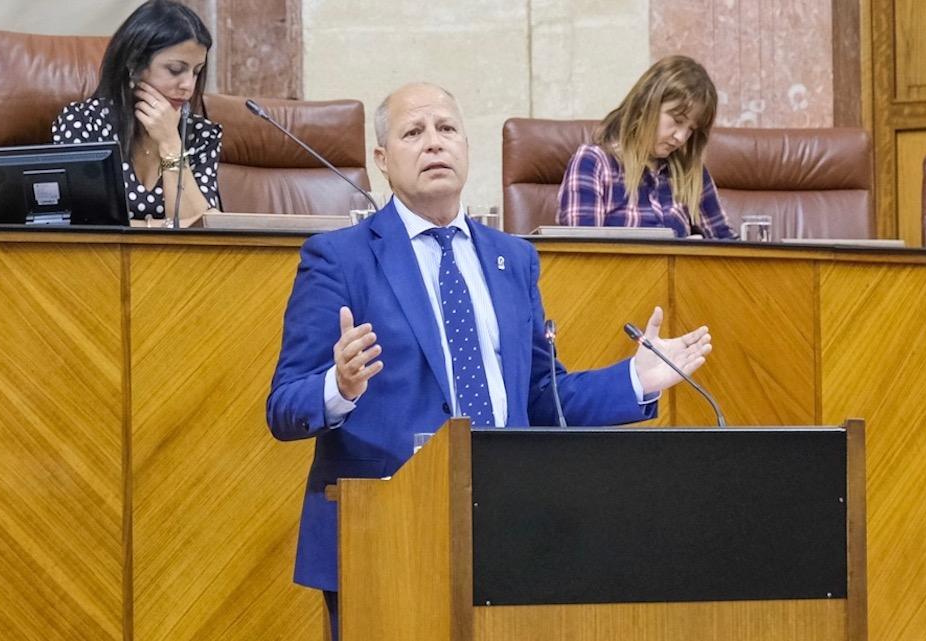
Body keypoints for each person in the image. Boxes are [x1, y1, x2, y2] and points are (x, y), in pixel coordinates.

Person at [266, 83, 714, 640]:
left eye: (447, 129)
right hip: (386, 534)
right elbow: (285, 407)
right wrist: (339, 386)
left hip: (511, 526)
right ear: (382, 159)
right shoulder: (339, 258)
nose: (434, 143)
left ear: (467, 147)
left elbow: (541, 398)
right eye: (413, 132)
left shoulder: (513, 259)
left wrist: (636, 379)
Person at [51, 0, 222, 228]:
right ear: (134, 64)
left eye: (196, 72)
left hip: (179, 262)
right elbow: (81, 225)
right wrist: (158, 227)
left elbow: (203, 232)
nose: (188, 86)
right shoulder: (83, 123)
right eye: (175, 70)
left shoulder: (202, 135)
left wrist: (170, 143)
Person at [557, 55, 734, 239]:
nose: (681, 137)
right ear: (646, 104)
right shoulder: (593, 163)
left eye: (691, 129)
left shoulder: (691, 173)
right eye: (677, 120)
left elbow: (729, 249)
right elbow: (580, 252)